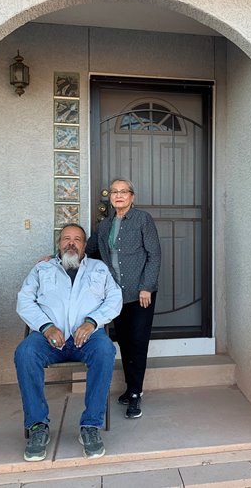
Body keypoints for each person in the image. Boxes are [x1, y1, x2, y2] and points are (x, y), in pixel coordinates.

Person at [14, 224, 122, 462]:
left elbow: (115, 299)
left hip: (88, 338)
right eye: (66, 239)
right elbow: (24, 301)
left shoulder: (99, 268)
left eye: (77, 239)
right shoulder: (42, 268)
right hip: (47, 339)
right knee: (25, 353)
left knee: (105, 350)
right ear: (58, 243)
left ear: (84, 245)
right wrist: (46, 326)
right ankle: (37, 426)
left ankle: (90, 426)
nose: (71, 243)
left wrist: (92, 322)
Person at [86, 178, 161, 420]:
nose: (119, 195)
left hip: (141, 294)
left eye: (124, 192)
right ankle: (130, 389)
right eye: (115, 192)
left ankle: (136, 394)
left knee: (138, 343)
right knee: (126, 342)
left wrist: (146, 287)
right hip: (116, 296)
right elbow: (87, 250)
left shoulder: (142, 220)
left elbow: (154, 254)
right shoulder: (105, 225)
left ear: (132, 196)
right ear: (110, 198)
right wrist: (54, 258)